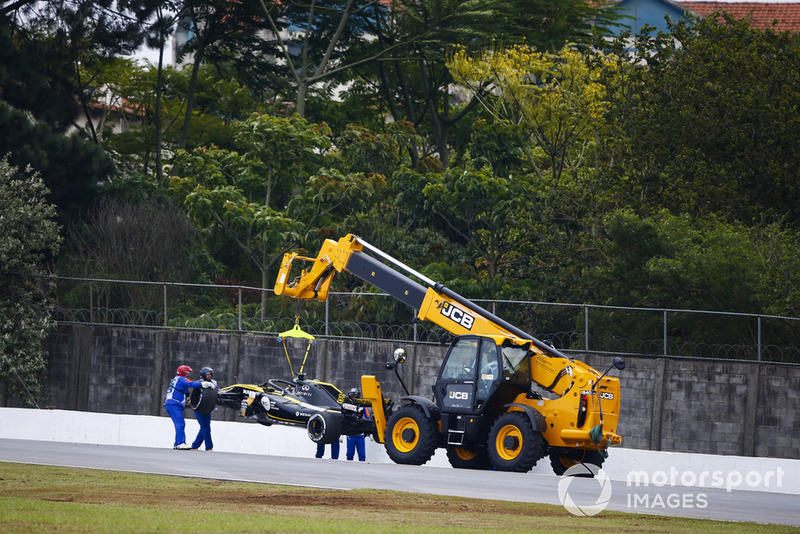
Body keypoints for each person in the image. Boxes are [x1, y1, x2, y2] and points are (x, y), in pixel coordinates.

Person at [164, 365, 213, 450]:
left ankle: (178, 443)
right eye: (187, 373)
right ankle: (180, 443)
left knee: (180, 423)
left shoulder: (176, 379)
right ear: (182, 372)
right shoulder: (181, 378)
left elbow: (184, 392)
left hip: (173, 404)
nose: (188, 375)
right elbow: (191, 384)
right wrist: (203, 384)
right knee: (180, 423)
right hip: (174, 404)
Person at [191, 366, 219, 451]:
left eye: (210, 374)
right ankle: (209, 447)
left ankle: (195, 445)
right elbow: (194, 396)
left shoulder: (214, 383)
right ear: (203, 375)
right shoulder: (199, 383)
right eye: (207, 375)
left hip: (208, 408)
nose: (209, 376)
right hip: (200, 408)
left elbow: (216, 394)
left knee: (204, 427)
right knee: (206, 428)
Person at [345, 388, 368, 462]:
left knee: (362, 455)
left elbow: (368, 418)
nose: (354, 398)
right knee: (350, 454)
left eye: (355, 396)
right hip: (350, 434)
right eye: (352, 396)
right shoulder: (347, 406)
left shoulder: (363, 407)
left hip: (360, 435)